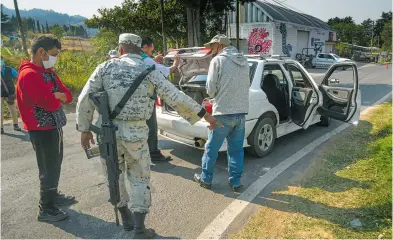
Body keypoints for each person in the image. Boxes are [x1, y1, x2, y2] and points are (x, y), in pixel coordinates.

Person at [76, 33, 221, 238]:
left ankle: (124, 215)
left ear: (120, 49)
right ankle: (138, 228)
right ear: (140, 50)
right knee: (139, 177)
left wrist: (84, 129)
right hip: (136, 133)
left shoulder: (105, 67)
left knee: (113, 174)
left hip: (107, 134)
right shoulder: (149, 69)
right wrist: (205, 115)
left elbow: (85, 98)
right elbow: (175, 96)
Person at [16, 36, 76, 222]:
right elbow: (49, 103)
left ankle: (53, 195)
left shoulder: (47, 72)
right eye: (53, 54)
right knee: (48, 168)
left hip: (53, 126)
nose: (55, 58)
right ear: (41, 52)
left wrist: (60, 96)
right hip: (41, 129)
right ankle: (46, 208)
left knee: (55, 164)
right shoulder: (30, 74)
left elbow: (67, 95)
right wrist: (57, 96)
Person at [194, 34, 250, 192]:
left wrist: (213, 96)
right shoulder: (244, 61)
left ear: (219, 45)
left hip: (222, 114)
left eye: (212, 46)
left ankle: (206, 179)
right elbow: (247, 83)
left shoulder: (217, 60)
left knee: (211, 149)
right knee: (236, 150)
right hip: (240, 114)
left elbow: (210, 89)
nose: (211, 49)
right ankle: (236, 182)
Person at [141, 37, 180, 162]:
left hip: (135, 101)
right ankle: (154, 154)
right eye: (152, 48)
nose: (153, 50)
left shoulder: (137, 57)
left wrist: (153, 60)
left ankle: (143, 154)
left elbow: (145, 65)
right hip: (146, 100)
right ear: (146, 46)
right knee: (151, 128)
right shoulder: (147, 60)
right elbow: (168, 71)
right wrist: (176, 63)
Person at [1, 57, 22, 134]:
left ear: (3, 61)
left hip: (9, 93)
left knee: (13, 109)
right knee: (0, 111)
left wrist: (17, 88)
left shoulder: (9, 69)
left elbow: (19, 77)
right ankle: (1, 128)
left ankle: (15, 125)